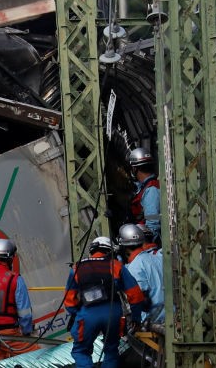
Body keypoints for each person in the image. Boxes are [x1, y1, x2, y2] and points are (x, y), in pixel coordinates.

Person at [65, 236, 147, 368]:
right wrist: (136, 319)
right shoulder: (116, 265)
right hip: (113, 313)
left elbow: (69, 300)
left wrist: (76, 313)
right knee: (111, 350)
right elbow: (136, 295)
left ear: (92, 250)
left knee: (81, 351)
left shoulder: (77, 267)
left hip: (88, 314)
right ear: (110, 251)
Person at [0, 238, 37, 363]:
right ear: (9, 258)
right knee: (38, 356)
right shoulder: (15, 279)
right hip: (7, 334)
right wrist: (26, 331)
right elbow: (25, 313)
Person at [118, 225, 165, 324]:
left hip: (152, 321)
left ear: (125, 247)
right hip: (169, 317)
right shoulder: (159, 258)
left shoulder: (134, 266)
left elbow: (140, 300)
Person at [127, 148, 161, 242]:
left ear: (135, 168)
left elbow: (153, 225)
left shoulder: (151, 191)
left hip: (148, 242)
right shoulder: (145, 186)